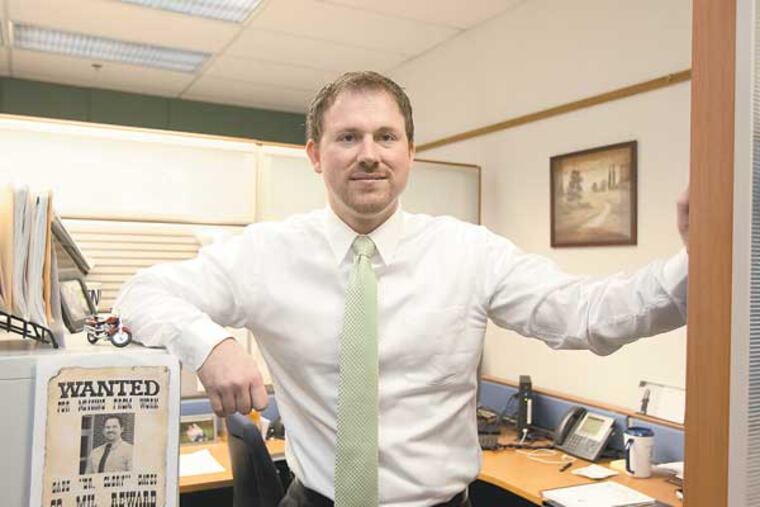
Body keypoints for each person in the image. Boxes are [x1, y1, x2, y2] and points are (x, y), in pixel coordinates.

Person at [115, 71, 688, 507]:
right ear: (316, 156)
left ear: (410, 153)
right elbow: (139, 293)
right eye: (348, 137)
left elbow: (588, 316)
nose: (369, 153)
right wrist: (209, 344)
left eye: (386, 136)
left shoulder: (470, 253)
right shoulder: (267, 253)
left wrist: (700, 264)